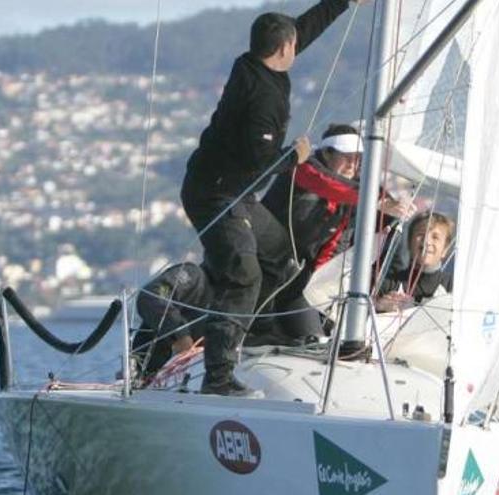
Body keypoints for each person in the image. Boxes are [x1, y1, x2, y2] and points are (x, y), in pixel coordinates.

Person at [180, 0, 362, 396]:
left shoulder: (255, 59)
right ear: (283, 50)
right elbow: (258, 163)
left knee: (283, 257)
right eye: (294, 44)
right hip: (216, 195)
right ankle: (219, 377)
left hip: (236, 193)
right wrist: (291, 157)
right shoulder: (260, 97)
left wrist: (343, 3)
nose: (298, 46)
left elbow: (303, 28)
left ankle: (257, 332)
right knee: (244, 275)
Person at [258, 123, 412, 342]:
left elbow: (341, 242)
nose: (353, 163)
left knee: (314, 340)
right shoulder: (303, 167)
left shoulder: (355, 192)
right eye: (346, 156)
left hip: (298, 283)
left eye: (358, 157)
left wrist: (397, 208)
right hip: (265, 269)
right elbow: (327, 183)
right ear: (327, 153)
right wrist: (377, 199)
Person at [375, 212, 455, 312]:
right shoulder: (390, 282)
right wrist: (380, 307)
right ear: (409, 243)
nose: (427, 241)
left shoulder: (454, 286)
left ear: (445, 250)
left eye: (435, 237)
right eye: (421, 234)